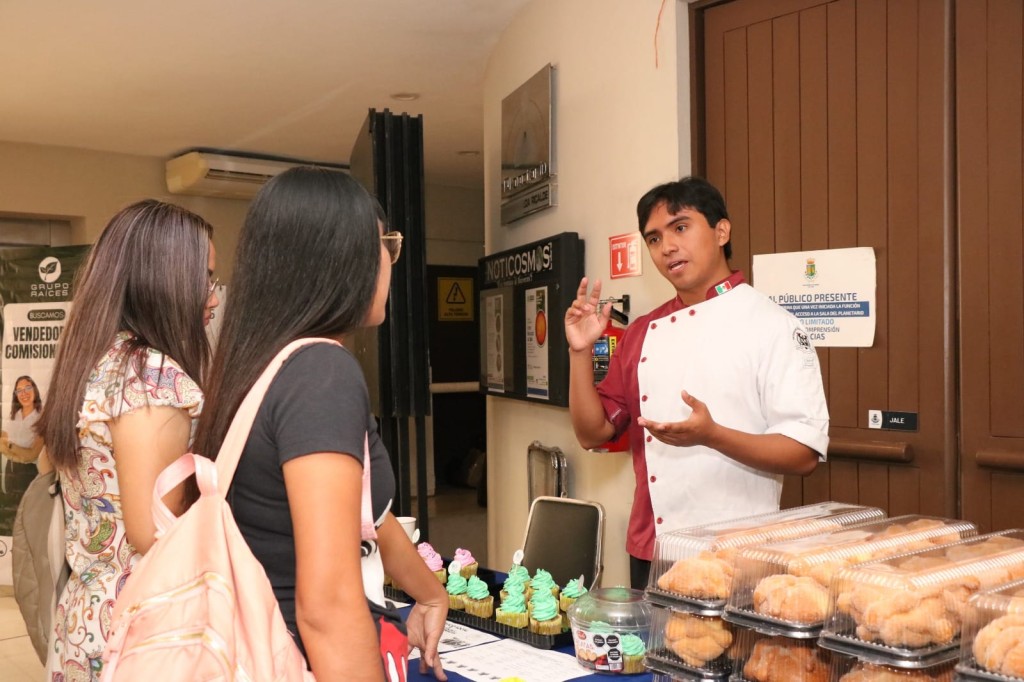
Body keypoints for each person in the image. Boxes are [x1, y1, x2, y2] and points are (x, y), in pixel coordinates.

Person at [192, 167, 448, 682]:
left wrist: (430, 593)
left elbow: (364, 515)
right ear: (340, 259)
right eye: (385, 244)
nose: (390, 262)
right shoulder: (322, 373)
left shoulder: (257, 364)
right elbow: (327, 606)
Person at [565, 176, 829, 590]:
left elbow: (803, 454)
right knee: (651, 655)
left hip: (740, 556)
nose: (667, 246)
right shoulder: (641, 332)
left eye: (680, 227)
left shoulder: (772, 325)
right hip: (652, 551)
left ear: (721, 231)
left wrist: (712, 435)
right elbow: (591, 432)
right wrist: (580, 353)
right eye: (653, 239)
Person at [36, 200, 219, 680]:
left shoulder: (96, 361)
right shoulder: (152, 377)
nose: (214, 297)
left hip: (85, 616)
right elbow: (152, 530)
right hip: (142, 627)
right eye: (205, 278)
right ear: (166, 281)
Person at [0, 375, 45, 535]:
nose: (23, 393)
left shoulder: (41, 418)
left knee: (28, 514)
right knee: (13, 513)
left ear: (35, 390)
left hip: (29, 473)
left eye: (27, 388)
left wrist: (11, 447)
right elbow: (1, 444)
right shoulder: (14, 415)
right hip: (11, 471)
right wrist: (18, 451)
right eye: (19, 390)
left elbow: (33, 454)